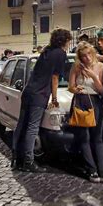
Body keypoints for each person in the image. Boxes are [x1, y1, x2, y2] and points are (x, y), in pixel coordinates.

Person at [12, 29, 71, 172]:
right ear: (64, 41)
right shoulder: (60, 54)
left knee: (22, 125)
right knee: (32, 128)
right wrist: (55, 98)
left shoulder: (46, 51)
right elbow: (55, 77)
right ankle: (28, 162)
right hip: (40, 94)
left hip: (29, 91)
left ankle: (17, 159)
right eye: (68, 41)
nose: (69, 44)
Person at [68, 41, 103, 183]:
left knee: (97, 138)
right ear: (80, 57)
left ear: (93, 53)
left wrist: (93, 76)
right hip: (81, 101)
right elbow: (71, 87)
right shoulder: (76, 67)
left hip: (96, 102)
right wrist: (76, 89)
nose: (87, 58)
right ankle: (92, 170)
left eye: (89, 54)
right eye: (83, 56)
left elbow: (102, 90)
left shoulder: (101, 67)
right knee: (84, 138)